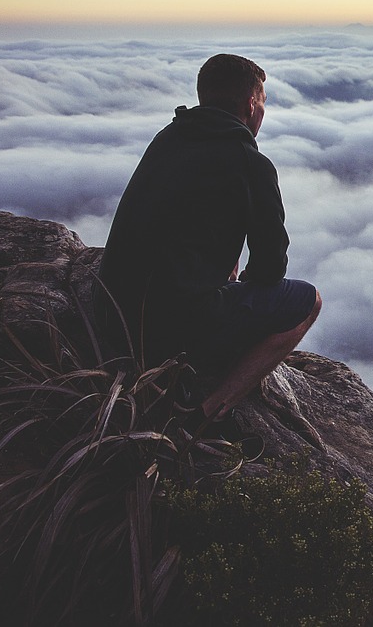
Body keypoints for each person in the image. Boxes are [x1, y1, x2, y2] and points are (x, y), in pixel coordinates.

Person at [97, 53, 321, 427]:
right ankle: (204, 414)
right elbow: (270, 267)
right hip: (169, 331)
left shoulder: (168, 137)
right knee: (307, 302)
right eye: (263, 103)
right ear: (251, 105)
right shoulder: (250, 163)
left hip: (111, 317)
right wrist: (240, 282)